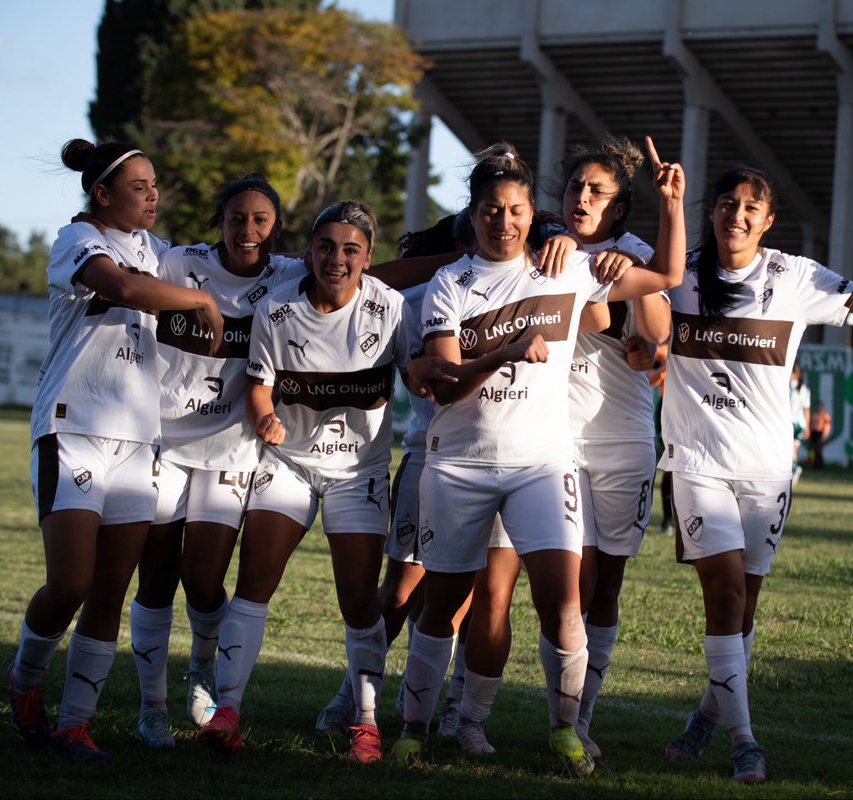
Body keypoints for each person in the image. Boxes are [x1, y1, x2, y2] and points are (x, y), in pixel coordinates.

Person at [658, 164, 853, 782]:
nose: (738, 215)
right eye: (727, 203)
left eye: (751, 207)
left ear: (768, 221)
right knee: (721, 595)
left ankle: (704, 718)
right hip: (698, 463)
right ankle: (745, 741)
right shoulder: (681, 274)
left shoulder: (794, 276)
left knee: (743, 608)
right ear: (712, 211)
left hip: (771, 469)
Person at [391, 137, 687, 777]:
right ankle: (419, 727)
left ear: (533, 215)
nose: (504, 221)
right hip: (460, 465)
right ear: (473, 216)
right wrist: (501, 353)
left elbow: (664, 276)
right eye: (492, 210)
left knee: (563, 602)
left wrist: (671, 204)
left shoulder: (569, 269)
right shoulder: (450, 285)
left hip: (544, 464)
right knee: (447, 605)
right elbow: (443, 382)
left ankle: (564, 731)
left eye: (516, 209)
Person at [6, 138, 224, 762]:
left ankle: (75, 724)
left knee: (108, 591)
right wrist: (200, 300)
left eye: (155, 184)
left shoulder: (156, 251)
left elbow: (240, 264)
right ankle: (24, 684)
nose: (153, 194)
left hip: (138, 442)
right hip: (72, 430)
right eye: (138, 186)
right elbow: (121, 288)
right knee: (70, 582)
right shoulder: (76, 240)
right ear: (102, 195)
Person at [196, 201, 412, 765]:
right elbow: (260, 386)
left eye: (350, 250)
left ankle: (365, 723)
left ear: (368, 256)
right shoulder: (277, 308)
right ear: (308, 250)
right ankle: (228, 710)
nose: (336, 260)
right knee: (255, 580)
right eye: (325, 247)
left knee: (359, 599)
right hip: (288, 463)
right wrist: (264, 415)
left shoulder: (389, 308)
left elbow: (418, 370)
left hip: (357, 472)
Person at [127, 175, 305, 748]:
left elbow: (364, 273)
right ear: (219, 220)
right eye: (236, 217)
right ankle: (151, 707)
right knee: (154, 578)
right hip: (164, 441)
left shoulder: (287, 275)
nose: (247, 229)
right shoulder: (179, 264)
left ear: (275, 226)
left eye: (260, 219)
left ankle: (201, 671)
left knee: (203, 580)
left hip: (231, 445)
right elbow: (125, 272)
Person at [314, 209, 479, 742]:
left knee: (473, 597)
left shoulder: (530, 285)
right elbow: (370, 281)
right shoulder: (425, 295)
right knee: (402, 590)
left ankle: (453, 707)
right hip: (432, 456)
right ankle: (352, 698)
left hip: (510, 461)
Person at [789, 366, 810, 481]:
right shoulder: (805, 389)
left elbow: (806, 409)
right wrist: (807, 426)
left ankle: (793, 469)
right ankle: (794, 469)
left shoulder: (789, 386)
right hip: (801, 424)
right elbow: (807, 409)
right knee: (794, 449)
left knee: (790, 449)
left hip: (791, 423)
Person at [808, 400, 832, 470]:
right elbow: (812, 425)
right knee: (813, 451)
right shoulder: (815, 415)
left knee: (819, 451)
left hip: (820, 434)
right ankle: (814, 466)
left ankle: (820, 466)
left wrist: (824, 436)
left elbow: (827, 426)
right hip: (814, 434)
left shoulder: (825, 415)